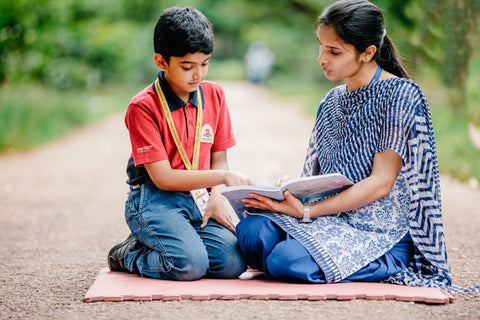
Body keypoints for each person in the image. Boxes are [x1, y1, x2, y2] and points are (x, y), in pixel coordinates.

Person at [236, 0, 453, 289]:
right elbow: (317, 180)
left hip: (377, 231)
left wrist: (306, 212)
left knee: (285, 261)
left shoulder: (400, 95)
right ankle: (307, 254)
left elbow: (380, 184)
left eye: (334, 51)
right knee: (251, 230)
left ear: (368, 53)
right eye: (321, 46)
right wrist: (292, 189)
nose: (321, 58)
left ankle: (387, 261)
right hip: (328, 217)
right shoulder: (331, 100)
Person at [107, 6, 253, 281]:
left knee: (233, 264)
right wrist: (223, 178)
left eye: (205, 63)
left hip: (198, 197)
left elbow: (219, 158)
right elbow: (162, 178)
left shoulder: (215, 95)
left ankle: (172, 240)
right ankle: (129, 253)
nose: (198, 75)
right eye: (187, 66)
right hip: (154, 198)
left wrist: (217, 196)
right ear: (161, 62)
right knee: (189, 265)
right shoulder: (143, 106)